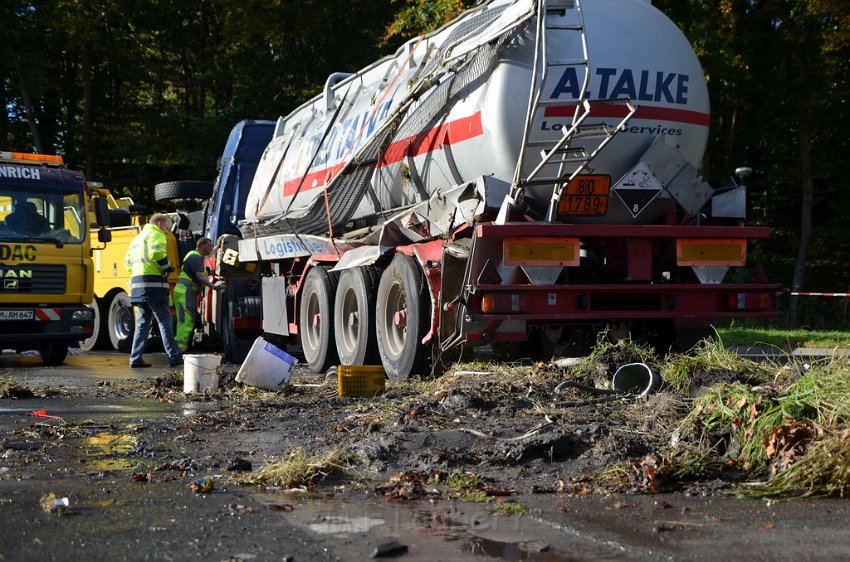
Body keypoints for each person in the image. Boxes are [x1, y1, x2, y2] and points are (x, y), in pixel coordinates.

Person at [125, 213, 182, 368]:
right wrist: (168, 267)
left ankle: (135, 358)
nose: (167, 231)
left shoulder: (137, 239)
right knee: (165, 320)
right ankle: (174, 356)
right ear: (160, 224)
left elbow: (128, 263)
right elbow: (156, 254)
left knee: (143, 322)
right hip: (153, 284)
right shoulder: (156, 234)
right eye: (167, 227)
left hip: (138, 284)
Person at [174, 237, 224, 352]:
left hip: (185, 291)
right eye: (210, 245)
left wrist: (218, 246)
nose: (211, 248)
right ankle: (180, 350)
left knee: (185, 319)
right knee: (185, 320)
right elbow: (200, 276)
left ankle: (181, 348)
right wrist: (214, 287)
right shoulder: (195, 257)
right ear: (203, 246)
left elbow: (208, 255)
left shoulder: (196, 255)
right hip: (185, 291)